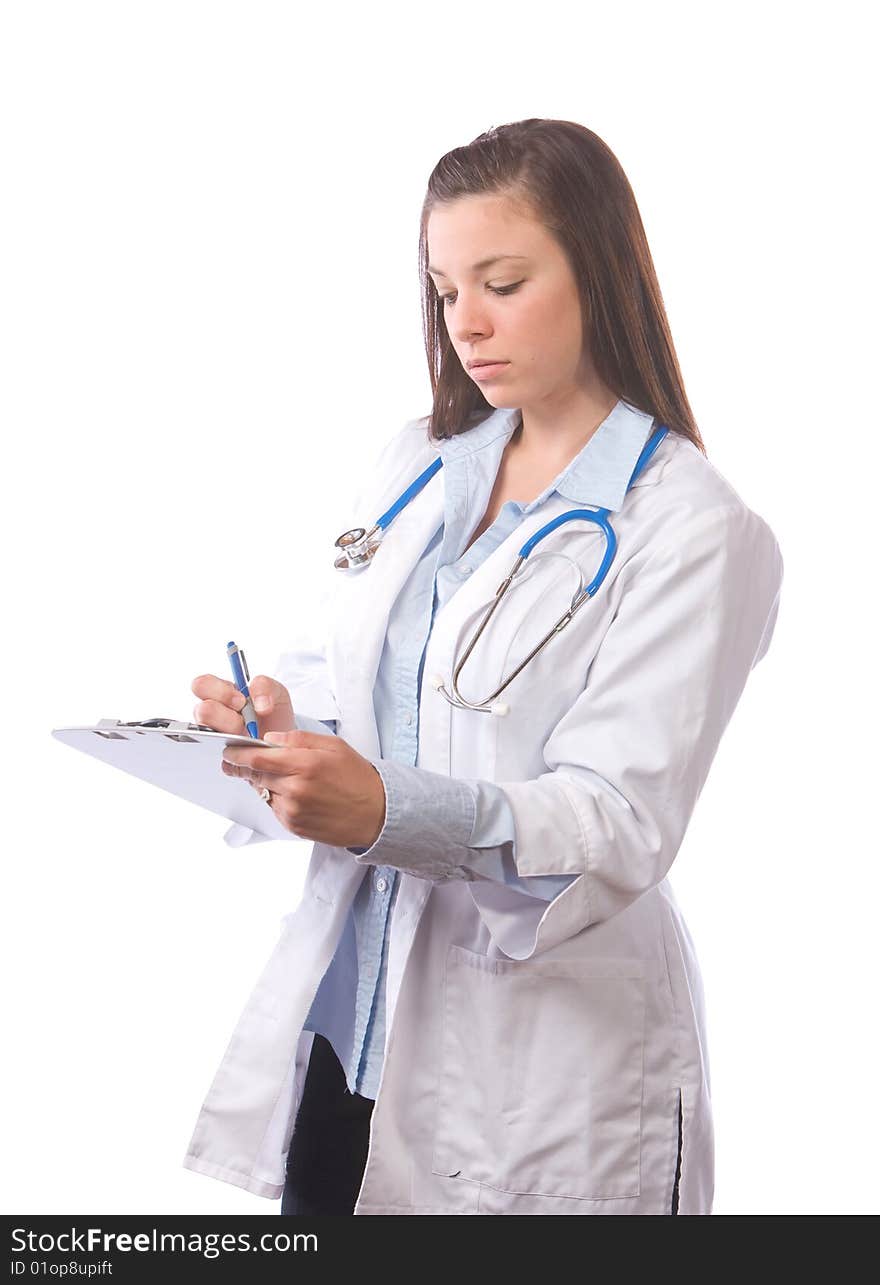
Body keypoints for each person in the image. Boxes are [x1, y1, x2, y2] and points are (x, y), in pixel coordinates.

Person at [183, 118, 784, 1216]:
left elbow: (617, 822)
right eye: (444, 287)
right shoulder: (418, 461)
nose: (466, 322)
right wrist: (277, 717)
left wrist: (380, 809)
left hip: (539, 1078)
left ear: (597, 273)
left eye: (501, 281)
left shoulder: (691, 527)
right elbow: (345, 674)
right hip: (351, 1033)